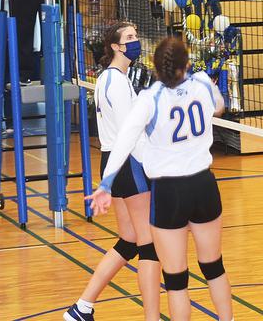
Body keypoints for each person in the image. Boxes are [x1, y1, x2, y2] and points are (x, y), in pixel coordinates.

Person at [87, 37, 233, 321]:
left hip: (169, 191)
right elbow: (219, 106)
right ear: (186, 62)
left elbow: (124, 142)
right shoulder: (202, 81)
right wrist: (195, 81)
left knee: (176, 280)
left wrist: (106, 184)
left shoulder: (149, 98)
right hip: (203, 184)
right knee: (214, 267)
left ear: (155, 67)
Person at [65, 22, 160, 321]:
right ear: (116, 47)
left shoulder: (110, 78)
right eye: (129, 38)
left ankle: (82, 306)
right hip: (128, 162)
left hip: (112, 160)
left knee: (129, 240)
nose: (135, 41)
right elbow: (127, 133)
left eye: (136, 35)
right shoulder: (117, 82)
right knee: (149, 245)